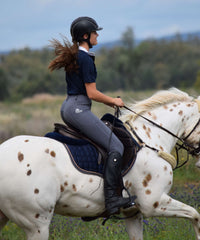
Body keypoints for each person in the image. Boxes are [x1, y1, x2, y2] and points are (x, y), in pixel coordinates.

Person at [48, 16, 135, 216]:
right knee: (116, 146)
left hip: (70, 106)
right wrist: (114, 101)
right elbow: (92, 94)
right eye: (95, 32)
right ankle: (112, 199)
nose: (98, 35)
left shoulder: (78, 56)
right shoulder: (85, 58)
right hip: (79, 108)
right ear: (86, 36)